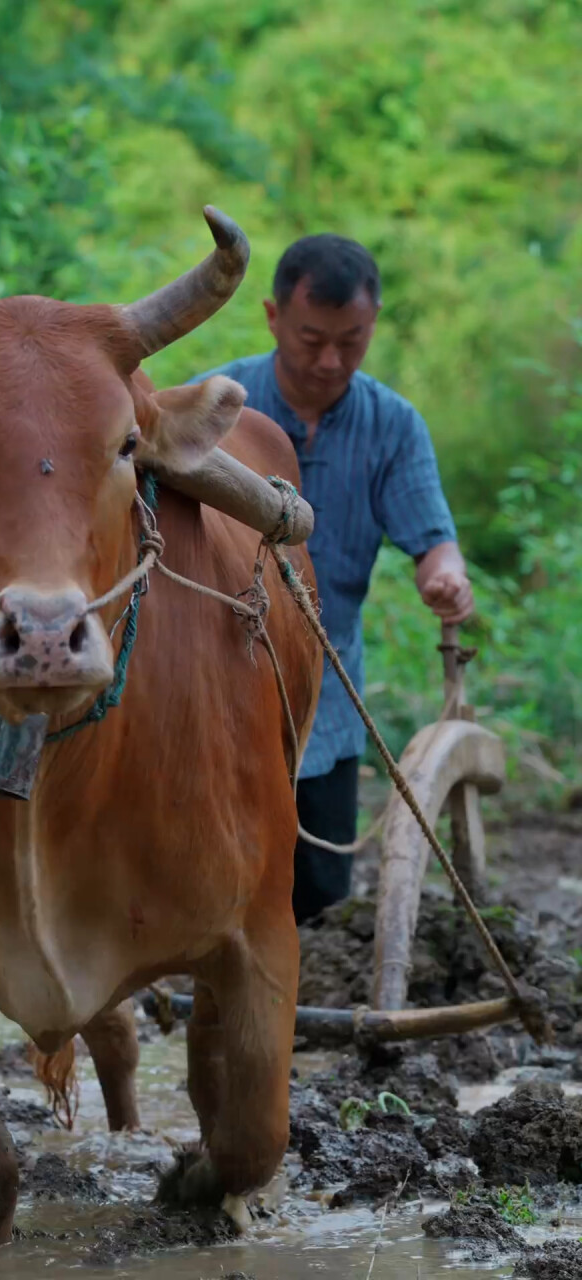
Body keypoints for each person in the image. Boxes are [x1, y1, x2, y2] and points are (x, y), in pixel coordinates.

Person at [189, 234, 474, 924]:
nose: (330, 361)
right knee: (210, 862)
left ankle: (302, 1013)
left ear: (372, 327)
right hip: (218, 670)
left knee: (320, 889)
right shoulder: (213, 408)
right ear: (273, 317)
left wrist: (446, 577)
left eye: (351, 342)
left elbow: (433, 540)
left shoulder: (392, 426)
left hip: (327, 683)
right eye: (312, 339)